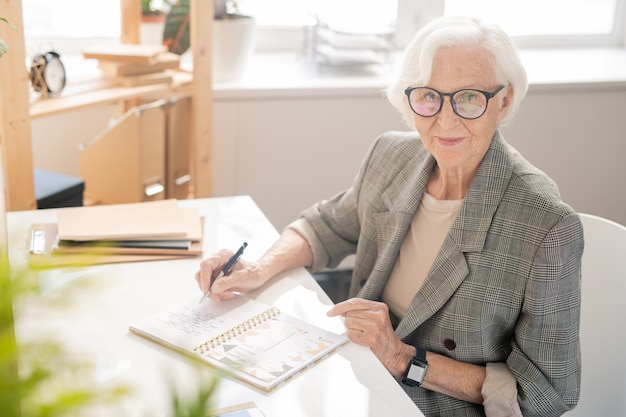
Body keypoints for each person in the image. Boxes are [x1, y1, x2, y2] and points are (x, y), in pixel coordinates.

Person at [195, 15, 584, 417]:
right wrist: (260, 267)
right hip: (356, 378)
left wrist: (403, 359)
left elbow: (548, 393)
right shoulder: (391, 155)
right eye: (429, 96)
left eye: (469, 97)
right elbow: (323, 227)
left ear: (503, 100)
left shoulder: (546, 225)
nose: (445, 120)